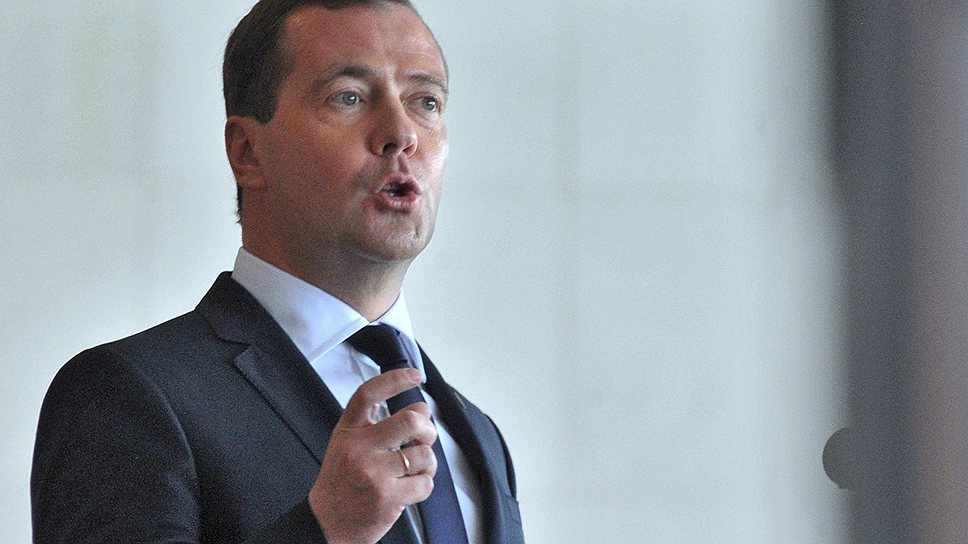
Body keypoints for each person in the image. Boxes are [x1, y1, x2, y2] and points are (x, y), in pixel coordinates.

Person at [30, 1, 525, 542]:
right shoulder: (124, 395)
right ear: (247, 152)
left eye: (425, 102)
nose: (401, 133)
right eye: (350, 97)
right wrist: (326, 527)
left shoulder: (478, 435)